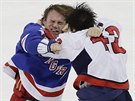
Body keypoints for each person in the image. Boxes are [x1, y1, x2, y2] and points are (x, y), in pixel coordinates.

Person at [3, 4, 101, 101]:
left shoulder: (71, 39)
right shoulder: (35, 29)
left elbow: (84, 34)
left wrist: (91, 30)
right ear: (44, 21)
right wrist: (48, 46)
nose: (55, 25)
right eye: (52, 21)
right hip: (28, 79)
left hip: (51, 87)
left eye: (60, 23)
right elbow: (30, 43)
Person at [54, 3, 132, 101]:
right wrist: (97, 27)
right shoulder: (110, 24)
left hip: (96, 91)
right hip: (121, 88)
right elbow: (105, 23)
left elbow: (49, 47)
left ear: (72, 28)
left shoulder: (72, 39)